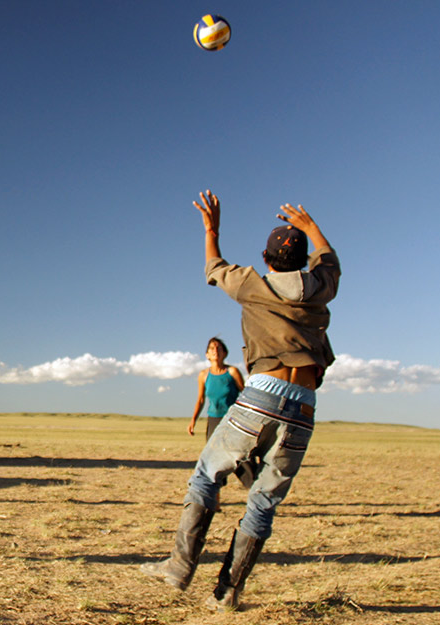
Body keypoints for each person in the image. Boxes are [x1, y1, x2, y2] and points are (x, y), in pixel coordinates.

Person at [141, 190, 340, 611]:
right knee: (264, 501)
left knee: (206, 476)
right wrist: (311, 228)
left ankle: (179, 567)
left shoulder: (253, 285)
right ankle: (227, 594)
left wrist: (211, 229)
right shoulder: (321, 287)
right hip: (304, 405)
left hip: (262, 395)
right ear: (302, 261)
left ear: (266, 258)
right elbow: (329, 261)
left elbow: (214, 266)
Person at [188, 337, 245, 441]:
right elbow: (201, 400)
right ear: (207, 355)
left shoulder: (232, 372)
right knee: (212, 449)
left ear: (225, 353)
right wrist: (193, 420)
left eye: (219, 348)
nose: (215, 351)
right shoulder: (203, 375)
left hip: (232, 418)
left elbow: (245, 395)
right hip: (213, 418)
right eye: (212, 348)